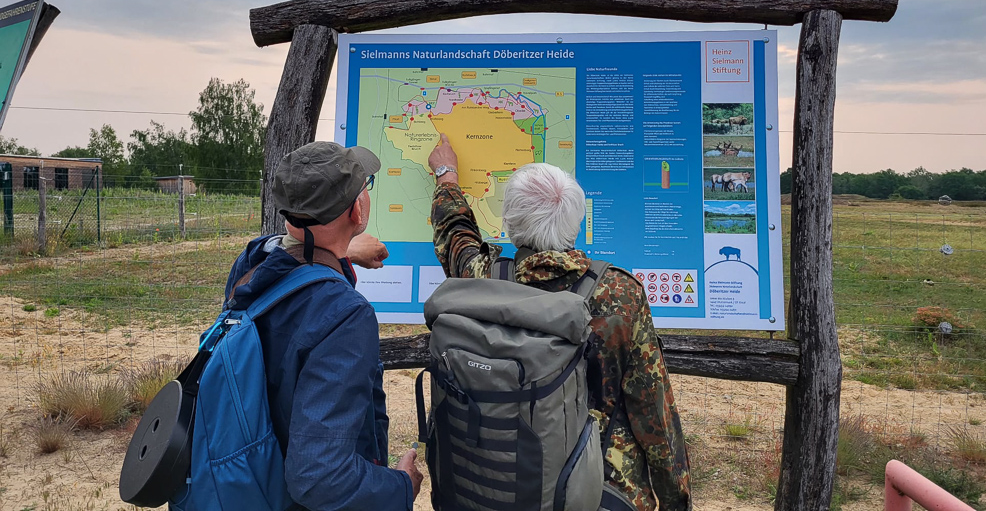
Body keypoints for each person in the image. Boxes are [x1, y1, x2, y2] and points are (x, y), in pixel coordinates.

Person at [428, 134, 692, 511]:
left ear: (509, 222)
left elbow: (456, 235)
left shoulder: (483, 279)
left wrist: (446, 176)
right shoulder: (619, 294)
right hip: (598, 489)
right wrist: (676, 501)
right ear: (576, 222)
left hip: (505, 479)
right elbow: (653, 412)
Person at [223, 141, 422, 510]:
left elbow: (290, 250)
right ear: (357, 210)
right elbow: (319, 477)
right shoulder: (344, 313)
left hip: (256, 482)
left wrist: (343, 251)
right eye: (365, 186)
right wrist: (400, 487)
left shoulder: (251, 264)